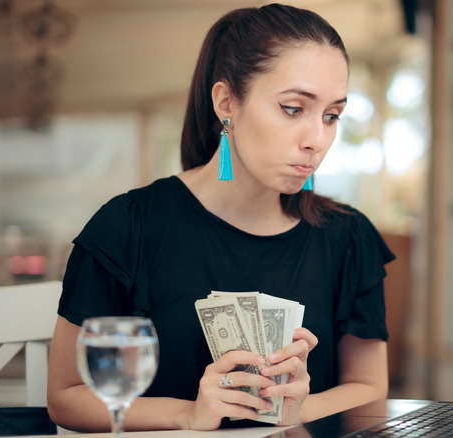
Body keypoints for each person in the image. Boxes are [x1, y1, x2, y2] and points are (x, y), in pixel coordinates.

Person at [47, 3, 393, 431]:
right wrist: (188, 414)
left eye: (332, 115)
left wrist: (298, 410)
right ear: (226, 102)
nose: (317, 140)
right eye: (292, 108)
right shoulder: (128, 226)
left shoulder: (348, 236)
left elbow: (370, 385)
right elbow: (65, 397)